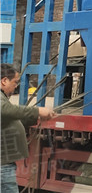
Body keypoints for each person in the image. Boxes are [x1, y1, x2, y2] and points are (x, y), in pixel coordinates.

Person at [1, 63, 56, 193]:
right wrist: (37, 111)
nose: (16, 86)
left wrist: (37, 117)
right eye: (15, 82)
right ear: (4, 80)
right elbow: (5, 110)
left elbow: (11, 117)